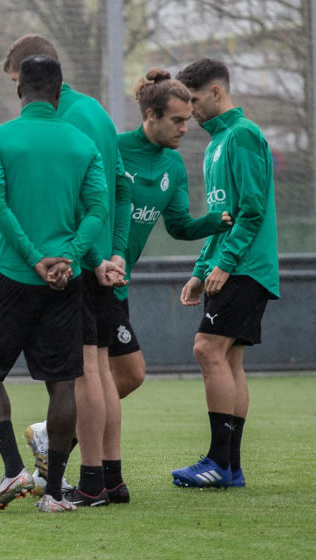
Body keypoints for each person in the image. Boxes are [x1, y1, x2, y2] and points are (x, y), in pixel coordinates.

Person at [0, 55, 107, 514]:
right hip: (65, 283)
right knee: (63, 385)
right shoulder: (82, 144)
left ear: (20, 92)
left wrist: (33, 259)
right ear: (59, 91)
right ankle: (53, 494)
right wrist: (67, 259)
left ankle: (13, 469)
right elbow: (96, 212)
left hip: (12, 275)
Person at [2, 34, 129, 507]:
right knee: (103, 372)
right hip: (100, 260)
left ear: (35, 77)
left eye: (20, 84)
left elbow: (82, 201)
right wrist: (116, 253)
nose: (20, 96)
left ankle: (93, 478)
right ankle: (112, 476)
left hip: (78, 264)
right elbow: (119, 188)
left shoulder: (65, 121)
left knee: (85, 373)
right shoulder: (97, 111)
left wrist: (89, 259)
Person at [170, 58, 278, 488]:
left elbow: (251, 212)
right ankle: (229, 469)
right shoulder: (217, 143)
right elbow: (223, 217)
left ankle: (217, 461)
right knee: (230, 359)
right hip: (229, 264)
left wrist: (225, 264)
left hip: (246, 266)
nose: (190, 110)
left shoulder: (244, 135)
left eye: (194, 100)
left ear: (217, 92)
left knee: (207, 350)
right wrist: (201, 269)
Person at [109, 69, 232, 399]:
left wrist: (217, 221)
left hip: (119, 284)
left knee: (120, 375)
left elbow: (179, 226)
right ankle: (60, 438)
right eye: (177, 120)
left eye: (187, 119)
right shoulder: (113, 150)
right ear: (151, 115)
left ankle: (52, 435)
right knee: (123, 372)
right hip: (92, 276)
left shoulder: (174, 166)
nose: (184, 128)